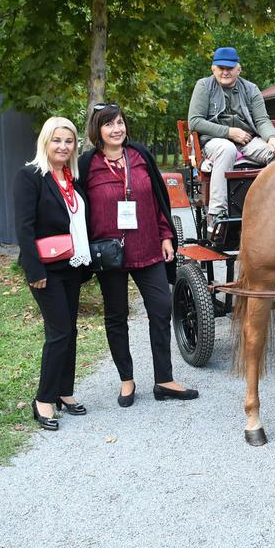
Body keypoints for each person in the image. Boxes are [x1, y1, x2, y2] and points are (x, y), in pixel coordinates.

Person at [78, 102, 198, 406]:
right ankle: (127, 380)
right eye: (109, 124)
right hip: (110, 253)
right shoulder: (86, 164)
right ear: (98, 130)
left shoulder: (140, 155)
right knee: (116, 316)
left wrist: (166, 235)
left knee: (160, 308)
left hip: (148, 245)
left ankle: (164, 380)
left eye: (120, 122)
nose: (117, 129)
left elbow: (158, 198)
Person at [13, 117, 92, 431]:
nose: (63, 146)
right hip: (45, 268)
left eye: (69, 141)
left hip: (71, 266)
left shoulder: (72, 177)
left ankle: (64, 391)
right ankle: (43, 400)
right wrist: (34, 269)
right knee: (58, 332)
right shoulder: (30, 176)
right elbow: (23, 227)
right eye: (57, 140)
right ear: (45, 142)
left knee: (69, 331)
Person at [187, 46, 275, 232]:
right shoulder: (203, 86)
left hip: (247, 140)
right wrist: (228, 132)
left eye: (230, 68)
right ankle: (216, 215)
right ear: (213, 68)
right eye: (221, 67)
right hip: (214, 140)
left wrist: (272, 138)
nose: (225, 72)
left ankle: (270, 209)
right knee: (226, 149)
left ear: (238, 69)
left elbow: (261, 119)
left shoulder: (251, 89)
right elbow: (194, 121)